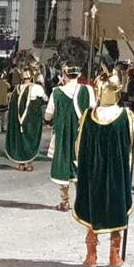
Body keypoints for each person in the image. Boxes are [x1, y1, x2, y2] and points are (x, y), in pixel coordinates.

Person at [73, 69, 134, 267]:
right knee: (116, 209)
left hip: (93, 173)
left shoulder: (88, 115)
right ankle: (114, 256)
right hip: (116, 173)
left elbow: (78, 147)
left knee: (92, 208)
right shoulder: (126, 116)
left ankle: (91, 256)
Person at [45, 64, 94, 212]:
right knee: (81, 166)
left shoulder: (56, 92)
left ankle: (65, 202)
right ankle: (82, 202)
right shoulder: (88, 90)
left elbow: (48, 115)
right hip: (82, 134)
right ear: (78, 75)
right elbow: (93, 109)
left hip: (63, 135)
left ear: (64, 75)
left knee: (63, 165)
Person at [5, 66, 47, 171]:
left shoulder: (16, 89)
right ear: (32, 77)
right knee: (30, 139)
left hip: (18, 121)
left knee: (20, 139)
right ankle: (29, 163)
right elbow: (45, 99)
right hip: (31, 120)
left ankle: (21, 163)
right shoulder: (36, 88)